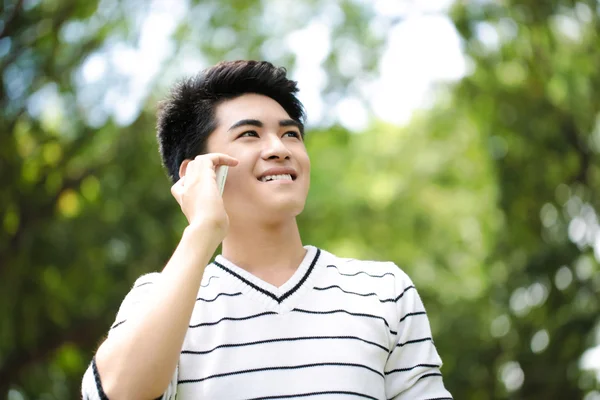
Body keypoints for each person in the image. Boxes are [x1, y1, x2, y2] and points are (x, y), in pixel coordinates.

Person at [81, 60, 453, 399]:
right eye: (249, 135)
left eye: (291, 134)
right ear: (198, 171)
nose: (279, 148)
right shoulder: (160, 298)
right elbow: (116, 394)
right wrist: (203, 228)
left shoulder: (384, 290)